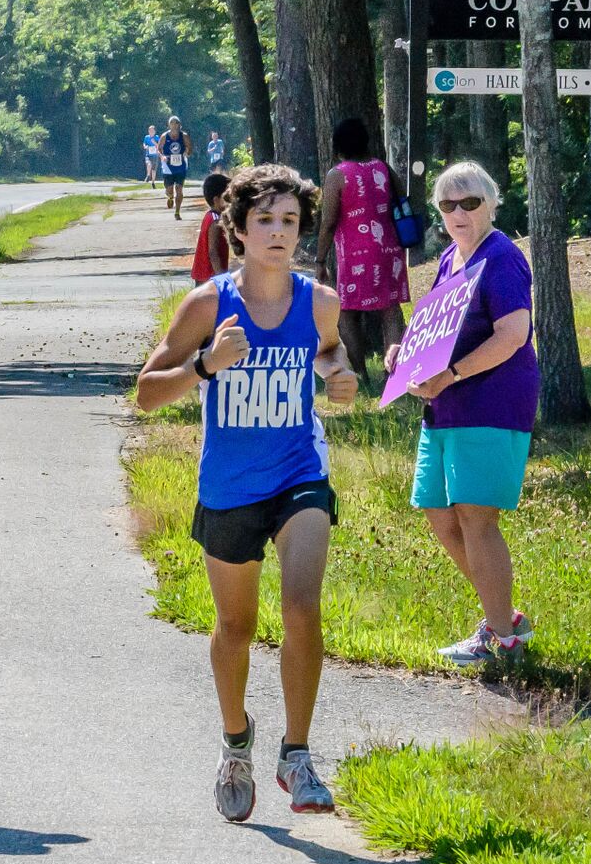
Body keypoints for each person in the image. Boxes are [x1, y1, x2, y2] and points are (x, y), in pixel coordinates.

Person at [135, 164, 359, 822]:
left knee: (301, 605)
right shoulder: (208, 304)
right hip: (230, 484)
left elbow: (329, 352)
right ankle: (236, 743)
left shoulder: (319, 300)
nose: (279, 233)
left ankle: (297, 754)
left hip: (298, 472)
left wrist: (339, 375)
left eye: (290, 221)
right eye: (265, 219)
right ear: (236, 229)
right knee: (236, 628)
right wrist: (205, 365)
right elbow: (147, 391)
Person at [386, 160, 538, 666]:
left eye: (469, 202)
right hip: (444, 408)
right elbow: (435, 329)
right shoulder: (452, 257)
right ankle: (505, 618)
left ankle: (502, 639)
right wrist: (402, 356)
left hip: (490, 404)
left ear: (492, 205)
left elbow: (513, 335)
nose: (459, 212)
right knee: (439, 512)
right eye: (447, 204)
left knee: (476, 517)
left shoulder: (503, 257)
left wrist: (449, 376)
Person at [315, 117, 410, 384]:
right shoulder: (383, 168)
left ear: (337, 145)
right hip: (389, 250)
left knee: (347, 312)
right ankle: (395, 373)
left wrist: (320, 259)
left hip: (355, 253)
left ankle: (360, 374)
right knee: (390, 310)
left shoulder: (338, 175)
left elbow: (330, 221)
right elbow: (401, 200)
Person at [191, 171, 231, 283]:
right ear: (216, 200)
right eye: (227, 198)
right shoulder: (215, 220)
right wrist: (222, 278)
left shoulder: (210, 216)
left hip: (205, 276)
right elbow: (213, 252)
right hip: (210, 277)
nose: (230, 201)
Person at [158, 115, 193, 219]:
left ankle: (177, 212)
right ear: (169, 125)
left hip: (181, 165)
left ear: (179, 125)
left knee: (179, 189)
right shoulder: (164, 136)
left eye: (176, 123)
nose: (174, 125)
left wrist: (187, 152)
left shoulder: (184, 136)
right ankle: (170, 197)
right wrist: (162, 156)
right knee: (169, 190)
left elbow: (190, 148)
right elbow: (159, 148)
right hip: (168, 165)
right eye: (172, 123)